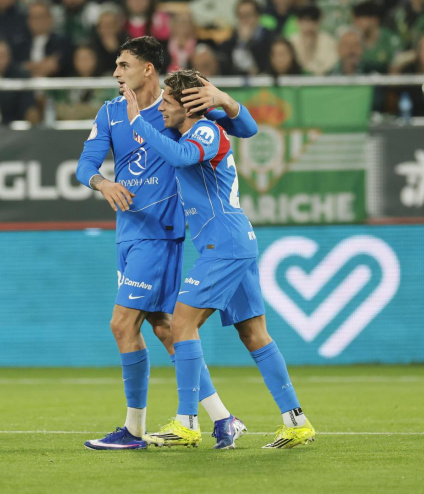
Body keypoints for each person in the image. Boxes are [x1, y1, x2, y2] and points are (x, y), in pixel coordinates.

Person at [75, 36, 257, 451]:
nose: (116, 73)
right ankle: (223, 418)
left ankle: (133, 430)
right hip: (128, 232)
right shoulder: (109, 113)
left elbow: (245, 128)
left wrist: (224, 100)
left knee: (122, 325)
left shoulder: (178, 109)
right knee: (164, 328)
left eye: (123, 65)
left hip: (159, 234)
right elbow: (84, 166)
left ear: (147, 69)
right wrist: (103, 183)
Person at [121, 69, 316, 449]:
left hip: (223, 244)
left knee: (181, 323)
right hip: (233, 242)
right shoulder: (189, 129)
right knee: (253, 332)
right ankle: (297, 421)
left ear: (188, 105)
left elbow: (181, 157)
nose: (160, 107)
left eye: (166, 102)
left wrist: (135, 122)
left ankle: (187, 421)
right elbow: (244, 126)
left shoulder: (205, 132)